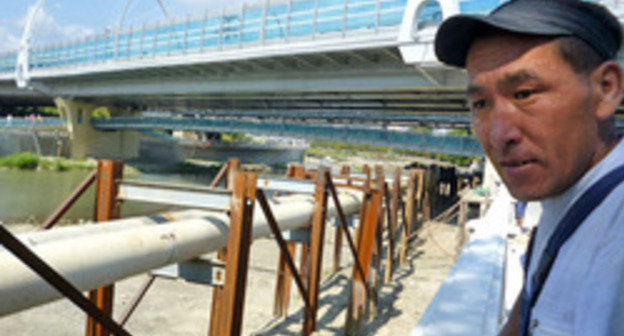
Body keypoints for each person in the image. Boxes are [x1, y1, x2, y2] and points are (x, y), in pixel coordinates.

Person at [434, 0, 624, 335]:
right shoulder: (570, 194)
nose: (497, 134)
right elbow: (531, 304)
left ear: (605, 89)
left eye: (524, 94)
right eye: (480, 104)